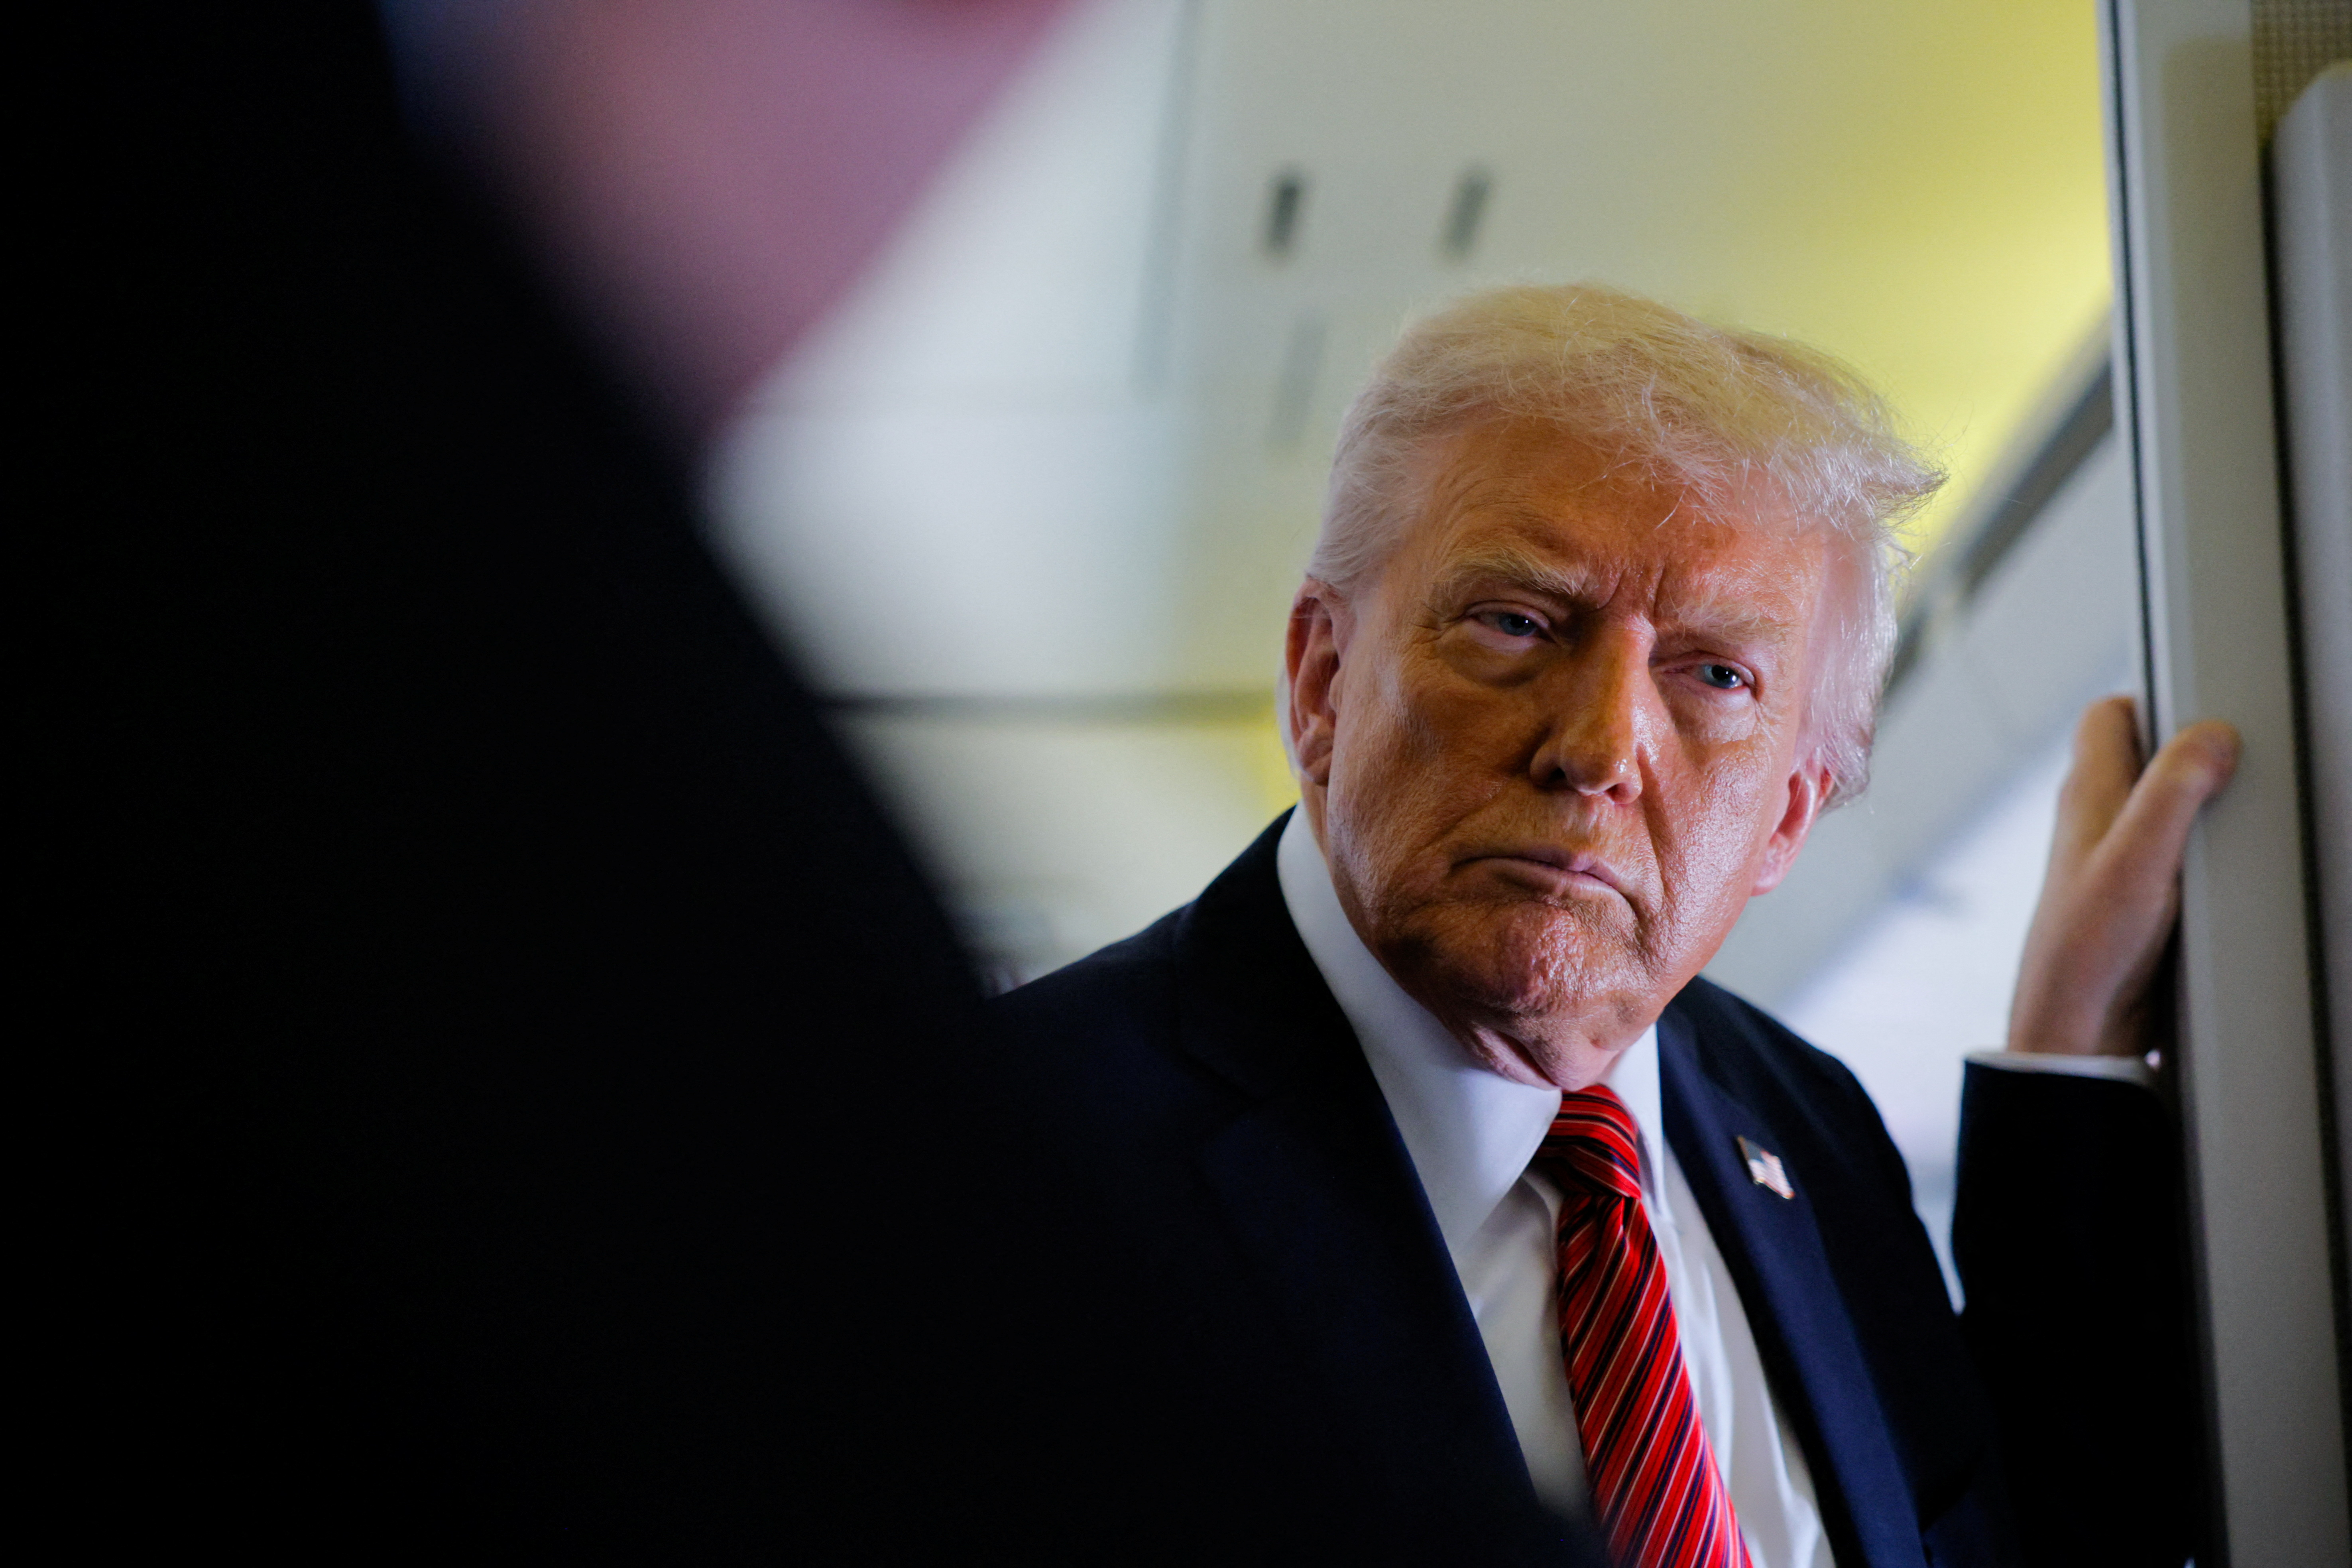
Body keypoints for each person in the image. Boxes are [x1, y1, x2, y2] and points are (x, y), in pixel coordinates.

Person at [992, 285, 2236, 1566]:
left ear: (1788, 819)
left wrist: (2069, 1051)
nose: (1596, 750)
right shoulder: (1004, 1161)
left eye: (1713, 675)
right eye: (1514, 625)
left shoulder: (1805, 1119)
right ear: (1321, 679)